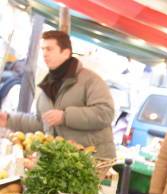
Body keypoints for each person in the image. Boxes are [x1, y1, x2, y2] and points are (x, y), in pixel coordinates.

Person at [0, 30, 116, 158]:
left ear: (65, 52)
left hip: (92, 160)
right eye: (43, 49)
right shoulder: (47, 85)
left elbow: (105, 113)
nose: (44, 54)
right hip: (63, 162)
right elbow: (42, 122)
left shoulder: (91, 80)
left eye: (49, 49)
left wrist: (65, 116)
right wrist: (10, 120)